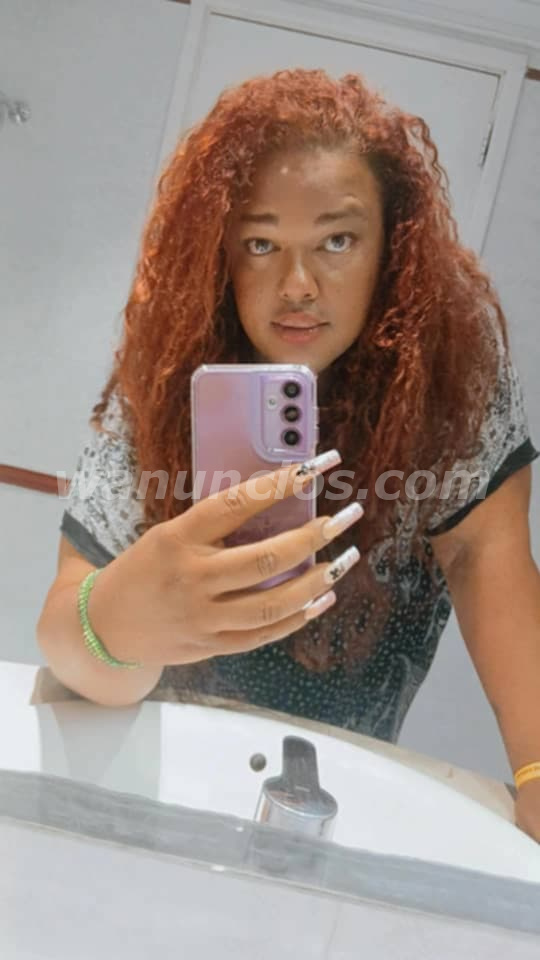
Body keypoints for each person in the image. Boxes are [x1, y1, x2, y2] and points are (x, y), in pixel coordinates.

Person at [37, 69, 540, 841]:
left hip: (344, 788)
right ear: (221, 253)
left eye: (337, 240)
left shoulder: (455, 377)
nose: (297, 285)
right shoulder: (169, 375)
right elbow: (64, 635)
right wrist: (115, 624)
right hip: (155, 772)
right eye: (261, 243)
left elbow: (485, 554)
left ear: (392, 248)